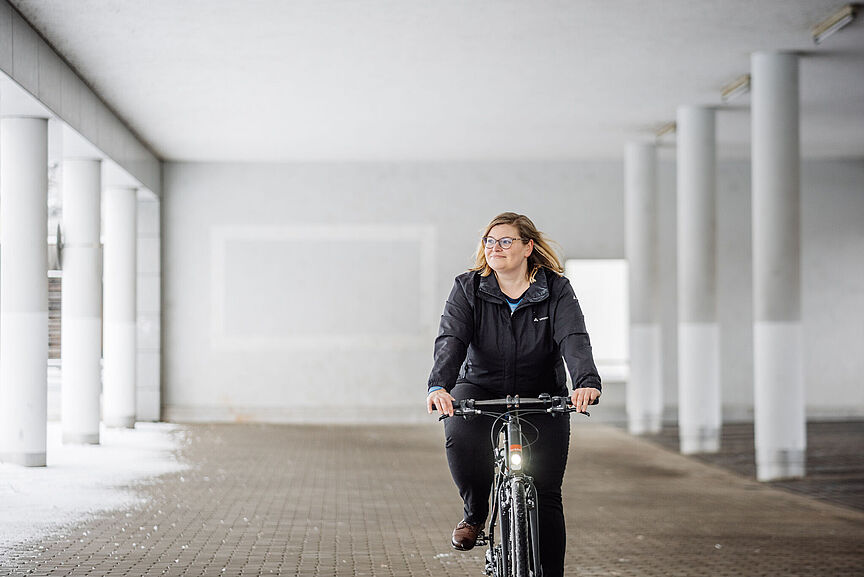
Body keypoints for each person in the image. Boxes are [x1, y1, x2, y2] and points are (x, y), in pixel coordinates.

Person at [426, 212, 601, 577]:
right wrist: (439, 385)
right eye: (490, 242)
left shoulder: (556, 289)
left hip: (542, 393)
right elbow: (452, 339)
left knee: (548, 493)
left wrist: (585, 380)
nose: (495, 248)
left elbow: (573, 337)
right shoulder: (468, 288)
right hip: (480, 388)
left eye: (505, 241)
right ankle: (475, 513)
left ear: (527, 247)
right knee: (459, 435)